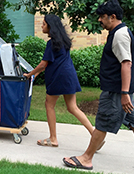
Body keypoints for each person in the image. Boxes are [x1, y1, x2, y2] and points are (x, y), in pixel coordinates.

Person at [63, 0, 134, 174]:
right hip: (119, 90)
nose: (99, 20)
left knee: (102, 123)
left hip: (115, 91)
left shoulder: (120, 35)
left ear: (112, 17)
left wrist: (124, 93)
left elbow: (126, 64)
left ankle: (86, 158)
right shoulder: (118, 32)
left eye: (102, 17)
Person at [24, 14, 99, 148]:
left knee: (49, 105)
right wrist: (35, 74)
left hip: (58, 77)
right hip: (69, 75)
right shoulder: (64, 41)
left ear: (50, 27)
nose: (42, 26)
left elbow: (43, 64)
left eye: (44, 24)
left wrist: (29, 75)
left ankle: (53, 139)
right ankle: (95, 135)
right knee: (72, 107)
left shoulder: (51, 43)